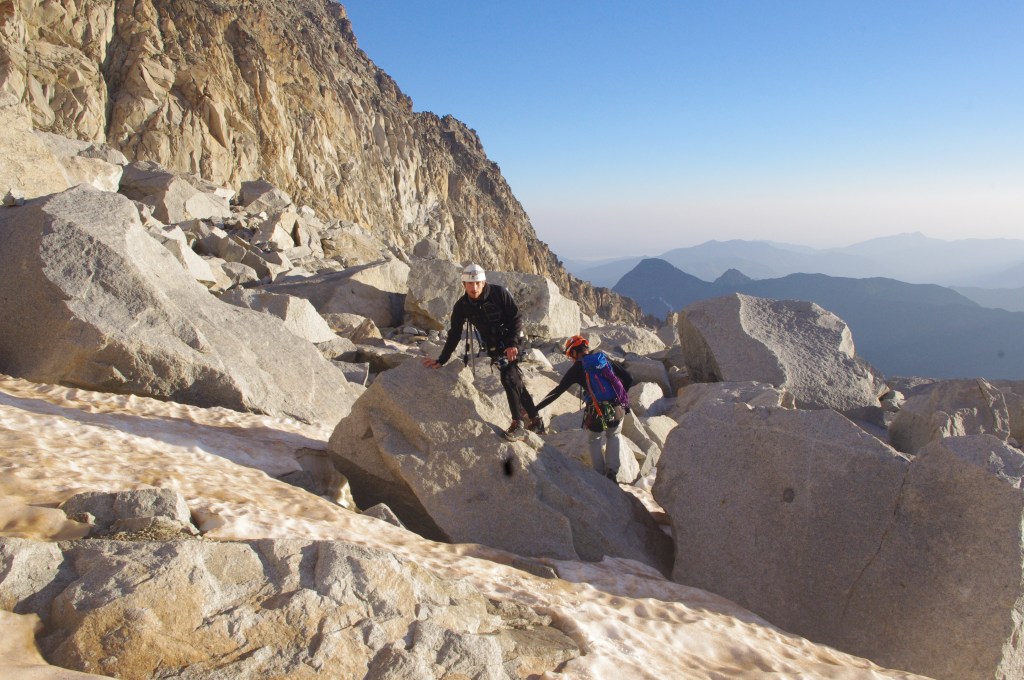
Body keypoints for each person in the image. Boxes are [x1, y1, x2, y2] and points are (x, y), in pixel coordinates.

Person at [422, 263, 544, 441]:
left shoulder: (499, 293)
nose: (474, 287)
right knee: (514, 379)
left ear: (484, 282)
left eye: (478, 283)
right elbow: (454, 334)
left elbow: (516, 318)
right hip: (494, 346)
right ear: (464, 285)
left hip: (512, 340)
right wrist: (442, 359)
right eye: (470, 284)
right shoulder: (462, 306)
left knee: (508, 377)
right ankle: (536, 420)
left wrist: (513, 344)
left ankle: (517, 423)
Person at [534, 335, 632, 480]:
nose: (571, 359)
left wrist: (535, 409)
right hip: (617, 407)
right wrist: (621, 398)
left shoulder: (577, 368)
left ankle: (600, 477)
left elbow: (558, 391)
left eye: (570, 355)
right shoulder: (603, 359)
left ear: (574, 352)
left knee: (594, 440)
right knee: (614, 435)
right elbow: (628, 378)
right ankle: (612, 473)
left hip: (596, 411)